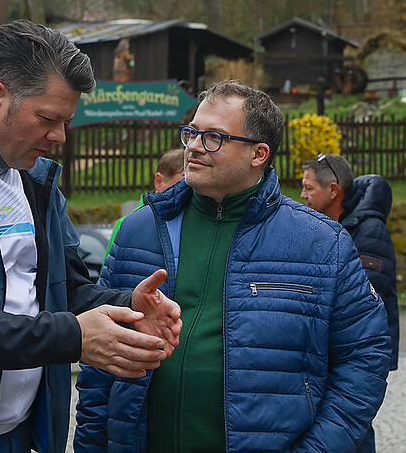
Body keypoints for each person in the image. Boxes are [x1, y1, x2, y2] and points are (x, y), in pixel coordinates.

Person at [0, 20, 182, 453]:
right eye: (48, 118)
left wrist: (128, 308)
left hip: (22, 437)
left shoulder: (33, 177)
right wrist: (73, 337)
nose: (60, 137)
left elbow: (68, 292)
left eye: (66, 121)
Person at [74, 80, 392, 452]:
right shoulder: (137, 231)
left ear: (258, 154)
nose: (194, 146)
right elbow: (99, 366)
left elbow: (365, 356)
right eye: (192, 133)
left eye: (214, 137)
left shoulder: (322, 243)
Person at [301, 153, 399, 453]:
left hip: (356, 353)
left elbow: (365, 310)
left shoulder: (368, 232)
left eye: (309, 188)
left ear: (333, 191)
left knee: (352, 426)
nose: (302, 195)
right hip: (330, 350)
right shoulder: (327, 225)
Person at [105, 148, 185, 257]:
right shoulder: (125, 225)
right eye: (183, 180)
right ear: (159, 181)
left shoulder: (189, 222)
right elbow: (109, 267)